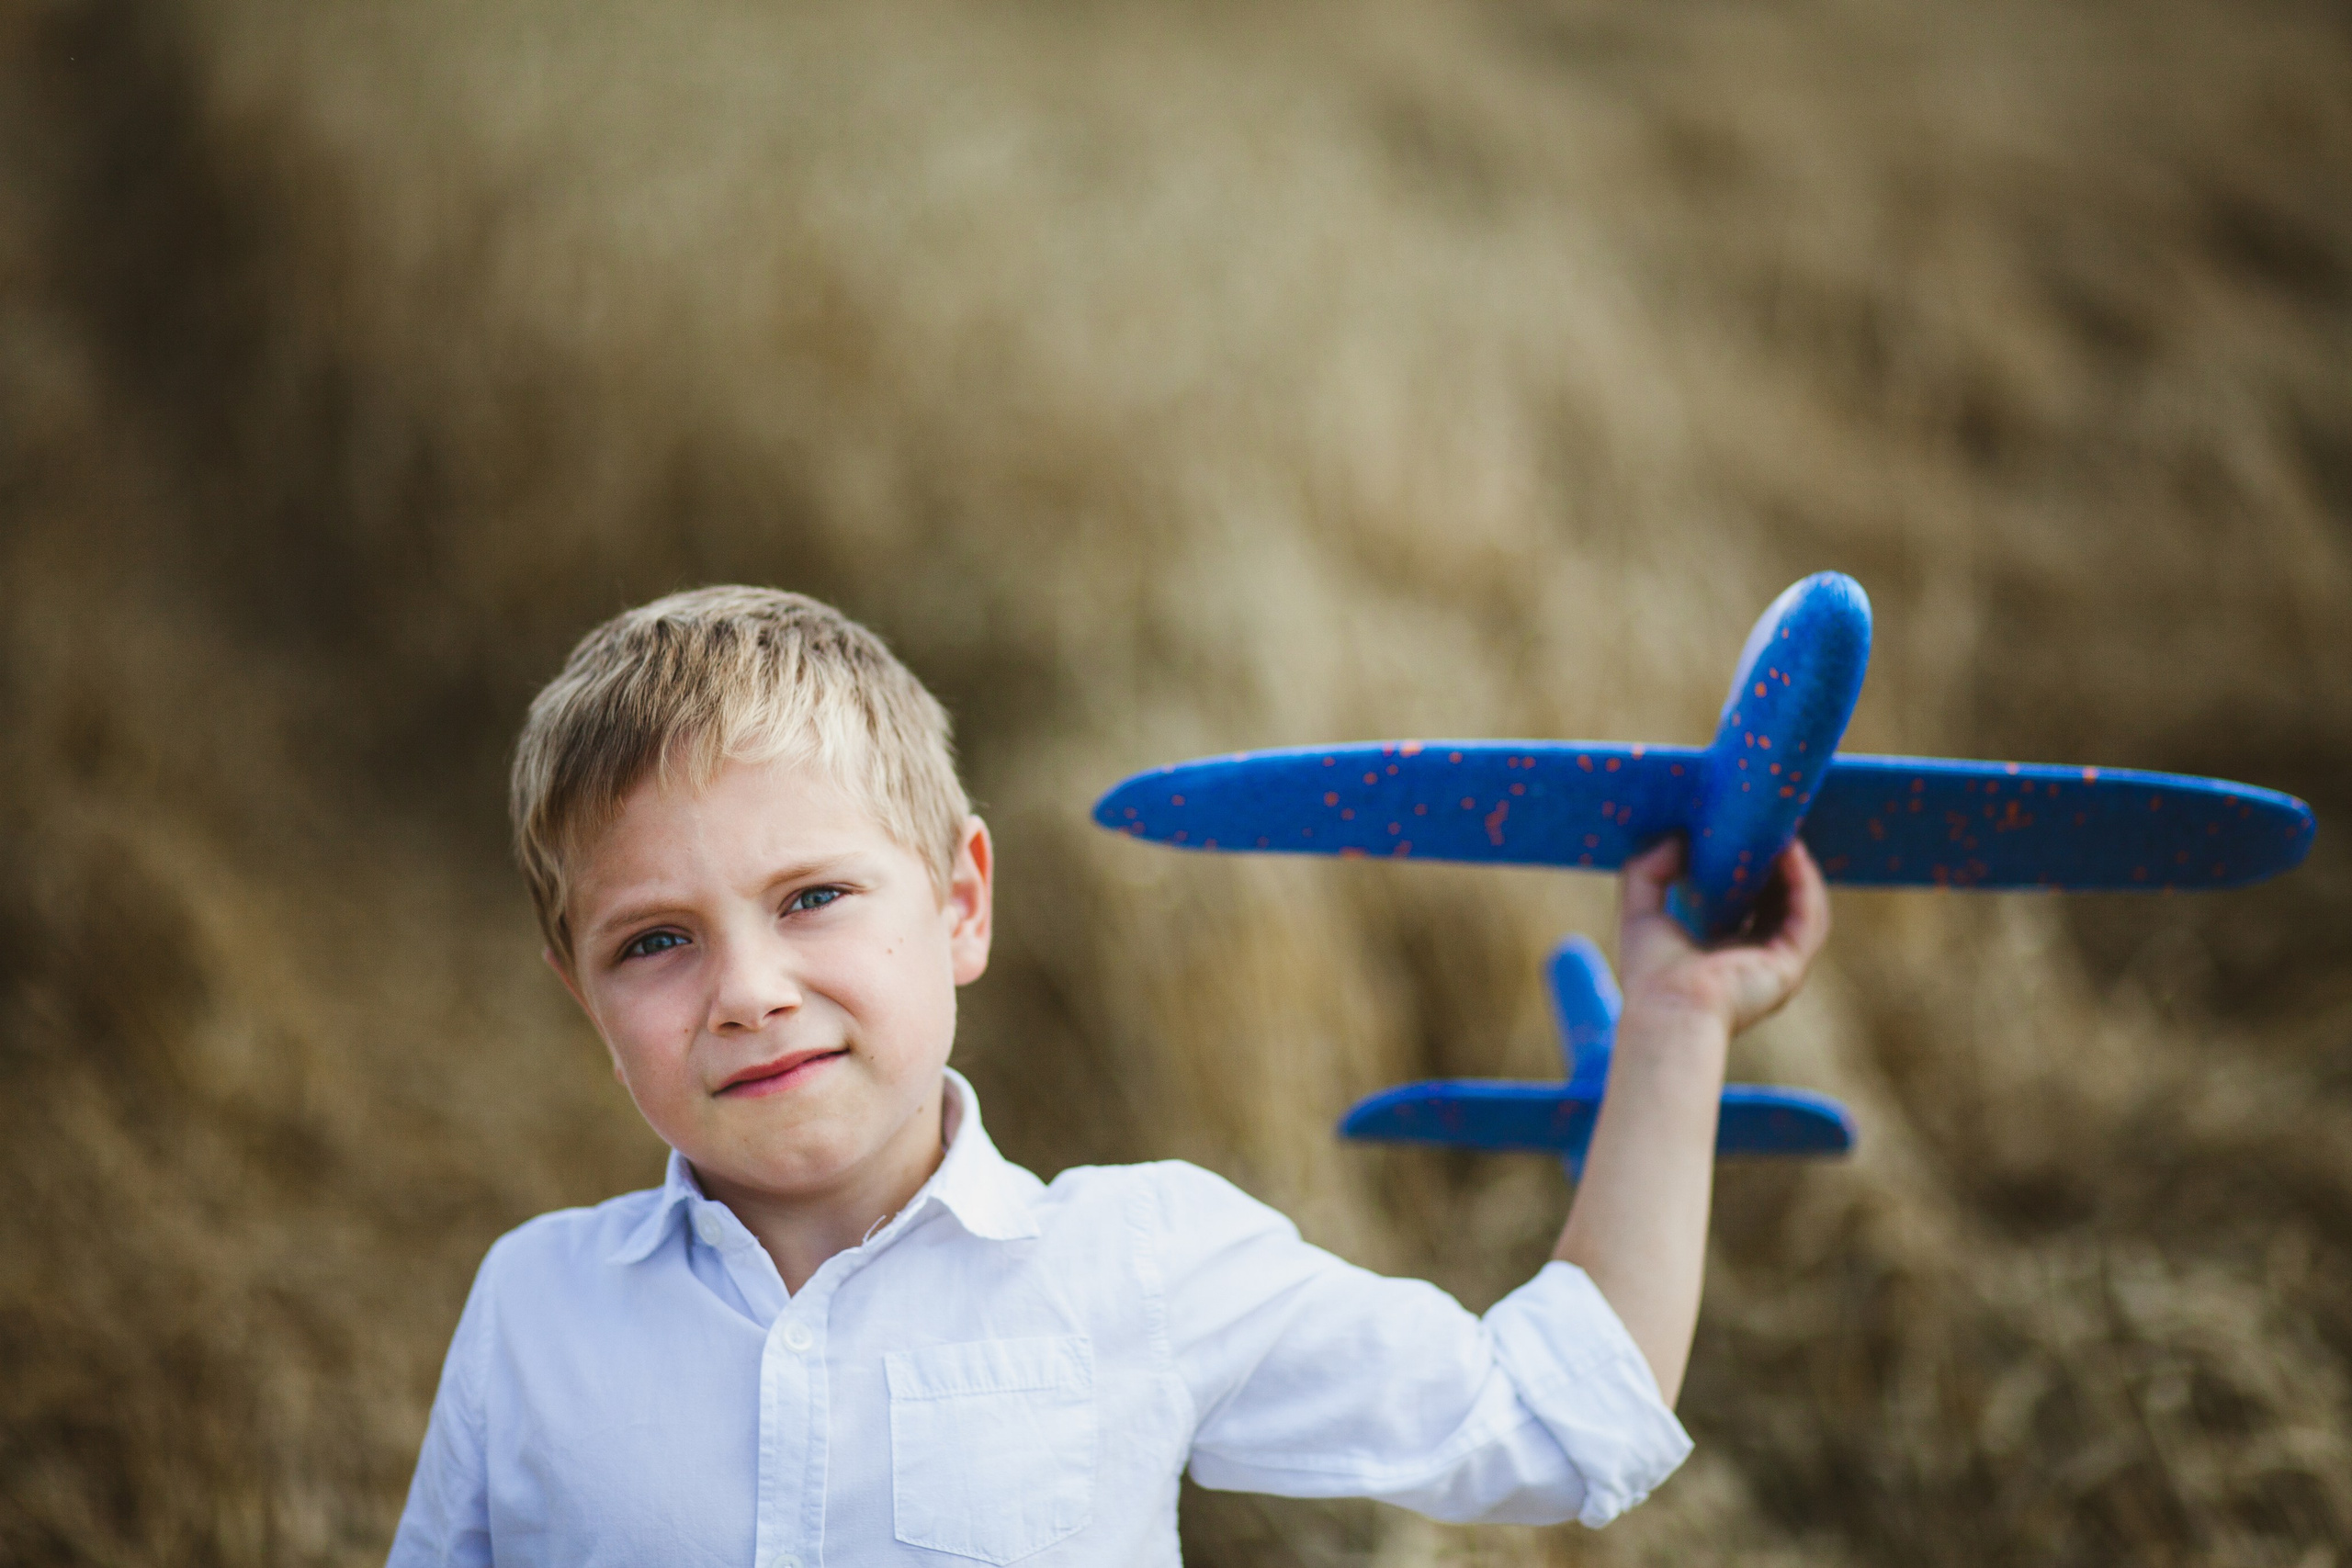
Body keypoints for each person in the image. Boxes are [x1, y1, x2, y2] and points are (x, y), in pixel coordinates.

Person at [387, 585, 1830, 1567]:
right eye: (656, 941)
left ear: (960, 905)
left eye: (815, 897)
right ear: (579, 988)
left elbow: (1557, 1419)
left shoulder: (1141, 1265)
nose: (752, 992)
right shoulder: (534, 1311)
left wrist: (1679, 1026)